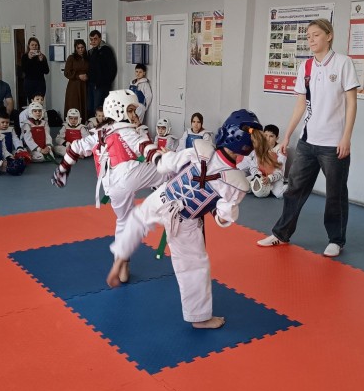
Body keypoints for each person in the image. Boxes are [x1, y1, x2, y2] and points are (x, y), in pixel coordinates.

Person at [106, 110, 278, 329]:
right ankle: (200, 318)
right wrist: (219, 208)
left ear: (225, 132)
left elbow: (165, 166)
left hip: (162, 197)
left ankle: (120, 258)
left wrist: (164, 156)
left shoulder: (200, 149)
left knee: (136, 220)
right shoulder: (237, 183)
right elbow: (224, 218)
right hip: (186, 221)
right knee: (194, 267)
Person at [257, 19, 359, 257]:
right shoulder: (306, 67)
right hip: (307, 142)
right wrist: (287, 135)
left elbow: (352, 104)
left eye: (316, 35)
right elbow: (300, 105)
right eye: (308, 36)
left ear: (329, 36)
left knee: (335, 193)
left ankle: (336, 240)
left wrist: (346, 138)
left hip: (334, 144)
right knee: (294, 189)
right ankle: (281, 233)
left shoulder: (344, 63)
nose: (311, 40)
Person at [52, 89, 166, 282]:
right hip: (128, 174)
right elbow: (143, 147)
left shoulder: (98, 132)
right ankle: (169, 202)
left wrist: (63, 170)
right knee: (168, 170)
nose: (134, 115)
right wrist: (160, 157)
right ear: (119, 110)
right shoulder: (126, 130)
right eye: (130, 111)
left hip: (110, 184)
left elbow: (76, 148)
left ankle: (122, 267)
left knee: (123, 221)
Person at [238, 124, 287, 198]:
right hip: (260, 176)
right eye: (266, 135)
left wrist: (270, 178)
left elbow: (280, 172)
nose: (267, 138)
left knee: (279, 194)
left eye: (271, 136)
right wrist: (258, 175)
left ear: (277, 138)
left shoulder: (281, 151)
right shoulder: (258, 148)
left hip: (274, 178)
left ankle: (289, 185)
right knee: (243, 186)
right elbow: (253, 166)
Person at [87, 30, 117, 118]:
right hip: (91, 84)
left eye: (95, 39)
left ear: (100, 38)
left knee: (98, 108)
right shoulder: (91, 52)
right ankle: (91, 127)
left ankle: (99, 128)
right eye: (91, 39)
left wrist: (104, 83)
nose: (93, 41)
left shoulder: (106, 50)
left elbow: (112, 69)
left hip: (101, 85)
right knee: (90, 107)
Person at [63, 39, 88, 120]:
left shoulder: (87, 57)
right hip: (74, 85)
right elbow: (66, 73)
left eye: (82, 47)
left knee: (84, 104)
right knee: (74, 104)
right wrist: (78, 76)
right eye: (78, 48)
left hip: (84, 85)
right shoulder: (71, 58)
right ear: (75, 48)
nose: (80, 49)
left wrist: (88, 76)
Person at [20, 37, 49, 102]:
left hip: (40, 83)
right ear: (29, 46)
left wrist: (41, 61)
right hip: (29, 82)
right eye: (32, 45)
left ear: (38, 46)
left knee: (40, 102)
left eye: (36, 45)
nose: (34, 47)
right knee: (31, 103)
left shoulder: (42, 56)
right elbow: (24, 70)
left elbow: (46, 71)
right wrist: (29, 58)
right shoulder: (25, 56)